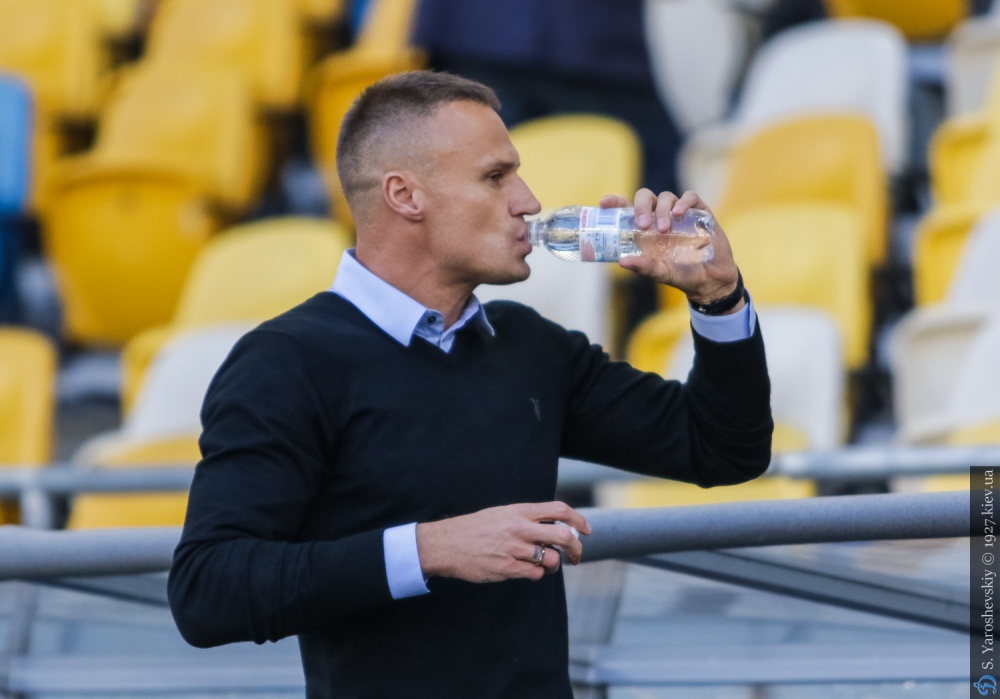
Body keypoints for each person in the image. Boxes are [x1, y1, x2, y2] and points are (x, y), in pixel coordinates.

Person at [167, 71, 773, 698]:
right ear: (405, 195)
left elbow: (723, 449)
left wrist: (718, 298)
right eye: (495, 177)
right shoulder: (285, 361)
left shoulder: (529, 344)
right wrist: (428, 550)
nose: (529, 202)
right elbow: (208, 590)